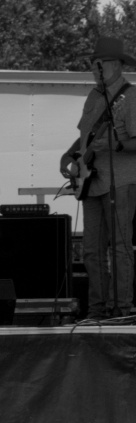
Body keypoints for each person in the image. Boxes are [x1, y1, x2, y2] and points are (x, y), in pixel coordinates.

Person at [59, 36, 136, 320]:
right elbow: (86, 137)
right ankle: (97, 309)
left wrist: (116, 145)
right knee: (91, 250)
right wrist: (69, 155)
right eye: (93, 64)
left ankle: (120, 309)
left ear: (116, 65)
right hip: (91, 182)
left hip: (121, 182)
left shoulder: (131, 96)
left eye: (98, 63)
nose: (94, 68)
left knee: (120, 247)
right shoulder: (93, 96)